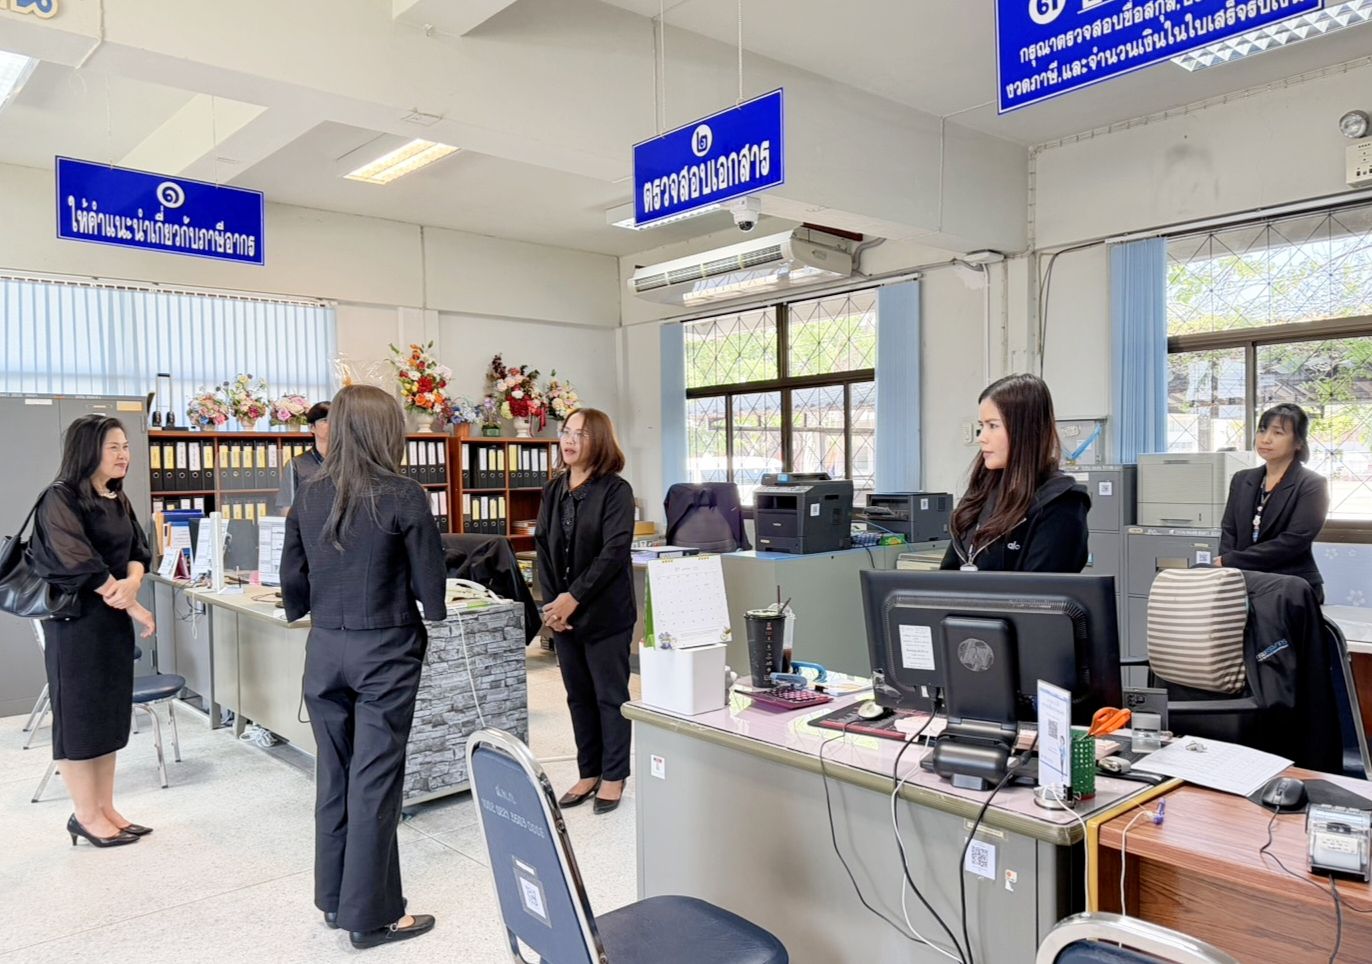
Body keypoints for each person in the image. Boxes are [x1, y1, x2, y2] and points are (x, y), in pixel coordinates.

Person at [280, 385, 445, 950]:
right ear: (385, 430)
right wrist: (433, 608)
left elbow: (293, 579)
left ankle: (334, 899)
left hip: (325, 651)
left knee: (335, 776)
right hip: (385, 651)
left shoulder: (309, 491)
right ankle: (373, 917)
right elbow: (430, 583)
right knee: (375, 782)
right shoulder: (403, 493)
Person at [30, 415, 157, 849]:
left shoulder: (117, 497)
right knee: (80, 718)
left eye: (125, 446)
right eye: (113, 447)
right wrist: (130, 601)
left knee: (107, 716)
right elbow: (77, 560)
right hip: (76, 624)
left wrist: (133, 582)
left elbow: (139, 549)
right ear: (88, 451)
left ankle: (105, 808)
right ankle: (84, 815)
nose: (123, 455)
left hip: (110, 621)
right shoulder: (60, 498)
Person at [535, 408, 636, 815]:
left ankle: (614, 775)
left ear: (601, 441)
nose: (570, 440)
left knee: (609, 696)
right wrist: (552, 605)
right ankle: (589, 771)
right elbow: (543, 547)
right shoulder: (553, 490)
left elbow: (614, 552)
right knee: (578, 696)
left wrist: (572, 597)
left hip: (605, 613)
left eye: (581, 434)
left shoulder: (616, 490)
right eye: (566, 432)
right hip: (564, 616)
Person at [940, 373, 1090, 573]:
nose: (981, 437)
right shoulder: (981, 492)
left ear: (1025, 430)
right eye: (981, 426)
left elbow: (1042, 588)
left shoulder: (1061, 502)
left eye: (993, 425)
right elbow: (948, 575)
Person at [1218, 403, 1329, 603]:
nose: (1265, 439)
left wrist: (1231, 560)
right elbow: (1229, 529)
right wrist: (1229, 569)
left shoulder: (1312, 484)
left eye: (1278, 433)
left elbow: (1294, 541)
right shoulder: (1242, 479)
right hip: (1242, 579)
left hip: (1289, 584)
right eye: (1262, 430)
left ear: (1298, 442)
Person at [276, 400, 330, 513]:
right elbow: (287, 508)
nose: (333, 425)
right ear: (311, 427)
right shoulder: (296, 464)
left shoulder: (350, 461)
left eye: (336, 421)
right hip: (310, 522)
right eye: (325, 420)